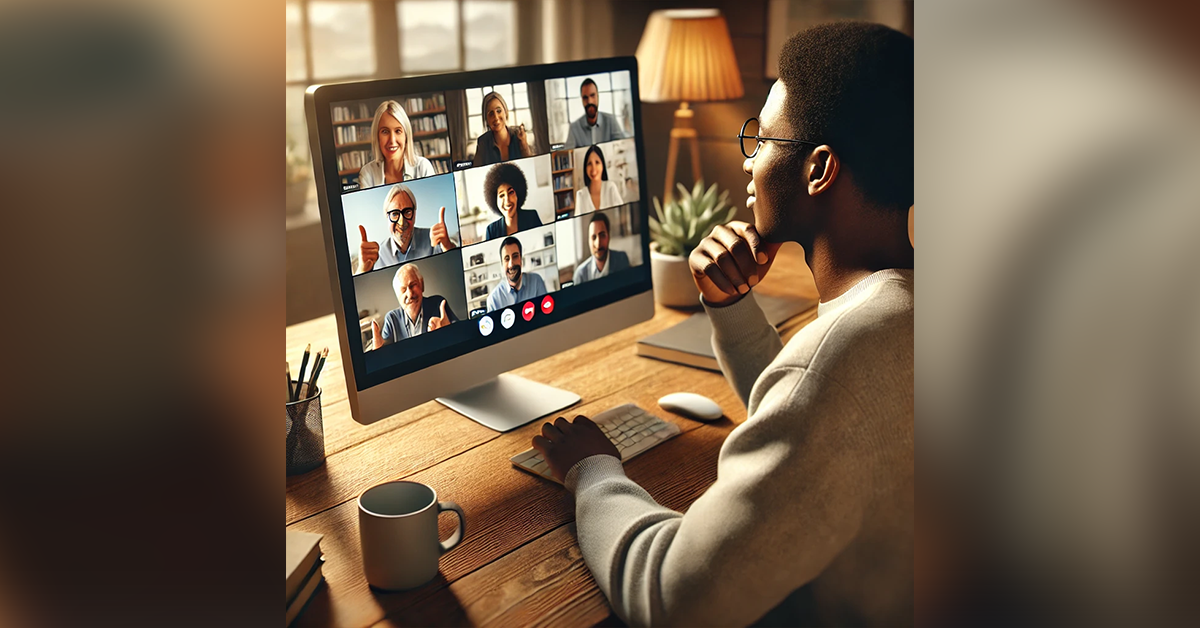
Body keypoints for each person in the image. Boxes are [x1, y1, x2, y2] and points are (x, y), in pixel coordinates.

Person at [530, 22, 914, 627]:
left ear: (818, 170)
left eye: (761, 139)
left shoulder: (839, 362)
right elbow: (824, 418)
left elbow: (673, 598)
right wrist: (731, 308)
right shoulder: (906, 311)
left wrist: (594, 470)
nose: (749, 161)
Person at [357, 183, 456, 274]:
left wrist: (448, 246)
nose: (401, 222)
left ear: (414, 214)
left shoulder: (434, 240)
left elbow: (455, 266)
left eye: (407, 212)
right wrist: (362, 269)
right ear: (387, 217)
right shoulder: (377, 255)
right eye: (395, 214)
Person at [371, 264, 458, 349]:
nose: (410, 294)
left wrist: (449, 331)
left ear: (422, 285)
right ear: (398, 296)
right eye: (403, 290)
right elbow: (386, 354)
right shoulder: (391, 319)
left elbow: (461, 334)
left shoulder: (438, 304)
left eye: (413, 285)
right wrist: (379, 352)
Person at [357, 100, 436, 188]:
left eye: (398, 131)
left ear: (406, 135)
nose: (392, 140)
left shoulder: (423, 167)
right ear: (377, 136)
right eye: (385, 131)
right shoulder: (367, 173)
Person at [482, 162, 542, 240]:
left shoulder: (532, 217)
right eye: (501, 195)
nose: (507, 200)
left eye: (511, 192)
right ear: (495, 200)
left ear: (518, 194)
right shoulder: (491, 231)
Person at [485, 236, 547, 312]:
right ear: (502, 264)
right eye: (507, 259)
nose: (511, 264)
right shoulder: (493, 300)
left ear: (521, 259)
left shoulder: (536, 281)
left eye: (515, 256)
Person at [563, 78, 629, 148]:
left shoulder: (611, 121)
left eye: (592, 95)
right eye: (585, 98)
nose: (590, 101)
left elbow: (622, 148)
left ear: (598, 96)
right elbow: (567, 155)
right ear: (582, 100)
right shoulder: (574, 128)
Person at [472, 91, 533, 166]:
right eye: (491, 113)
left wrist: (524, 145)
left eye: (499, 111)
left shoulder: (518, 135)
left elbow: (530, 165)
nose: (496, 118)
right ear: (486, 120)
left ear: (506, 112)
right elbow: (476, 171)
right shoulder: (482, 142)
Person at [572, 212, 629, 284]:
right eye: (593, 237)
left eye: (602, 235)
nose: (598, 244)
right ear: (589, 241)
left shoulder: (622, 260)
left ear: (609, 236)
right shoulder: (580, 275)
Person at [573, 144, 624, 213]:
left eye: (597, 162)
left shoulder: (611, 187)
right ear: (585, 168)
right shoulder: (581, 195)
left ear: (603, 165)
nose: (593, 169)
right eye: (589, 164)